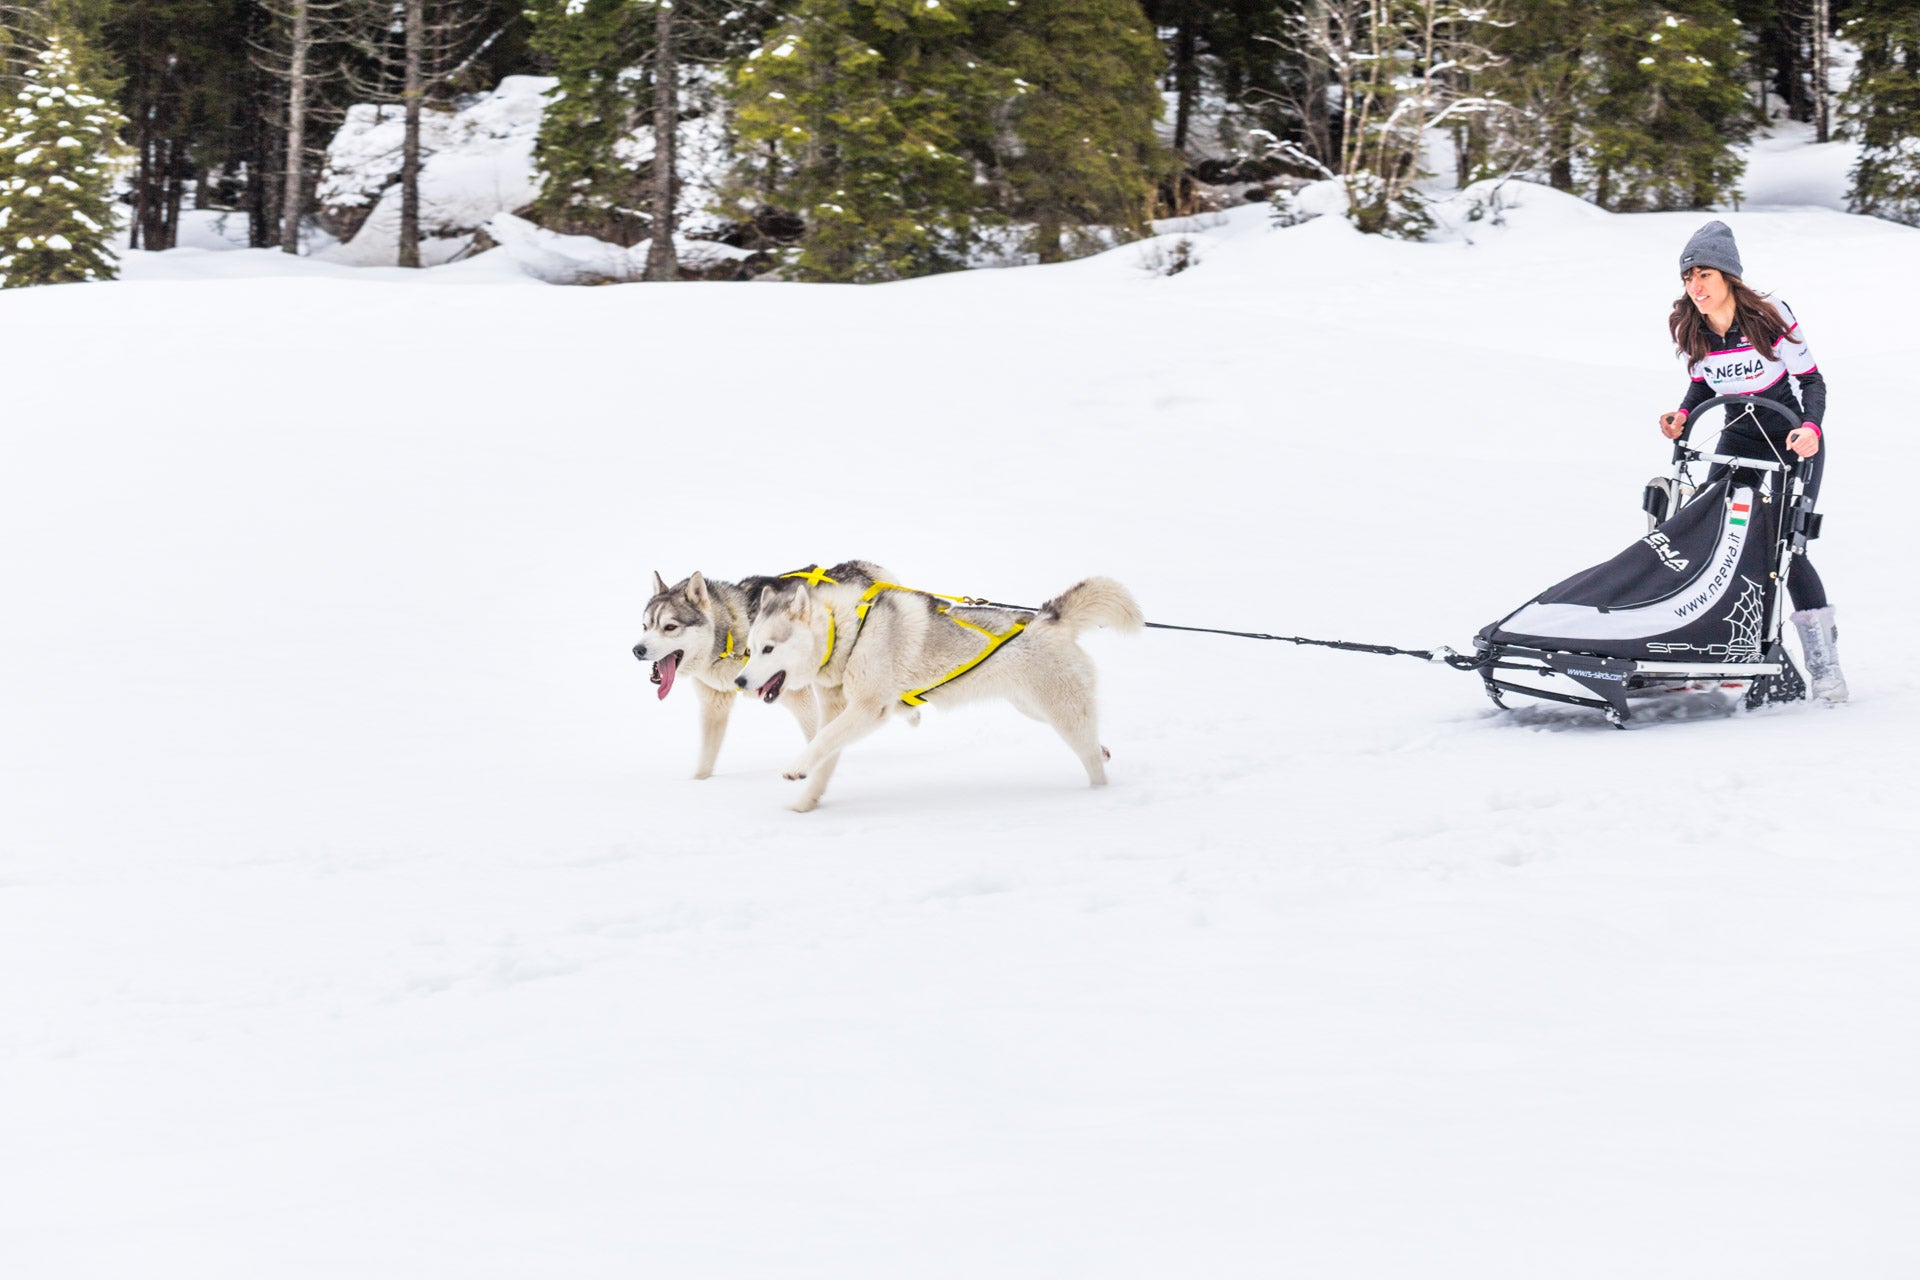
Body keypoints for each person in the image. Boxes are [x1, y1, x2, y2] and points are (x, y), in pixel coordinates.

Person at [1654, 220, 1847, 702]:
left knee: (1786, 545)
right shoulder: (1691, 323)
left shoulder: (1769, 316)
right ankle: (1710, 649)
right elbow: (1704, 383)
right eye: (1687, 278)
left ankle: (1825, 668)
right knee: (1706, 531)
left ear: (1728, 276)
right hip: (1736, 432)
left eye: (1704, 276)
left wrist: (1811, 429)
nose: (1695, 288)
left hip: (1789, 435)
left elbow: (1813, 381)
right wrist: (1681, 415)